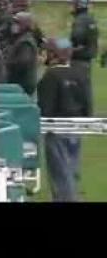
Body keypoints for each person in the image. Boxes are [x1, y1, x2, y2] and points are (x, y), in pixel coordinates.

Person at [37, 38, 89, 202]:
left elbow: (45, 106)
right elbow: (87, 102)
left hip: (56, 127)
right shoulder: (80, 73)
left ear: (54, 55)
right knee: (71, 166)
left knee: (59, 170)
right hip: (76, 126)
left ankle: (67, 198)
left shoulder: (51, 76)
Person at [69, 0, 98, 117]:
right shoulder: (90, 19)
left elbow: (77, 38)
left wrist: (64, 46)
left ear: (78, 6)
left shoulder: (80, 21)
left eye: (73, 4)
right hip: (87, 59)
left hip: (79, 59)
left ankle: (84, 116)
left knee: (79, 88)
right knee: (85, 87)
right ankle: (87, 114)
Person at [4, 12, 38, 97]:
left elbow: (23, 62)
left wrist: (7, 64)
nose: (14, 25)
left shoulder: (25, 42)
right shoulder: (19, 39)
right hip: (20, 84)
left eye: (17, 23)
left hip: (22, 85)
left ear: (25, 25)